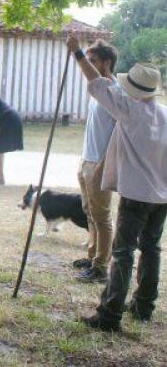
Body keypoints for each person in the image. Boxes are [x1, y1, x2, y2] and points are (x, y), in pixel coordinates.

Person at [68, 32, 167, 332]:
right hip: (161, 196)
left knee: (123, 253)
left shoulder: (129, 110)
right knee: (151, 249)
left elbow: (95, 83)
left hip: (137, 195)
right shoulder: (162, 113)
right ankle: (143, 306)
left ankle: (110, 315)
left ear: (132, 89)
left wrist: (77, 54)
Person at [72, 40, 120, 284]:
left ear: (107, 63)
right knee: (89, 211)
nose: (88, 67)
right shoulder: (97, 90)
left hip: (101, 163)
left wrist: (103, 163)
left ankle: (101, 267)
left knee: (102, 217)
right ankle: (92, 256)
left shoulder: (112, 90)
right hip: (87, 160)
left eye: (94, 62)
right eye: (87, 61)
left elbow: (118, 134)